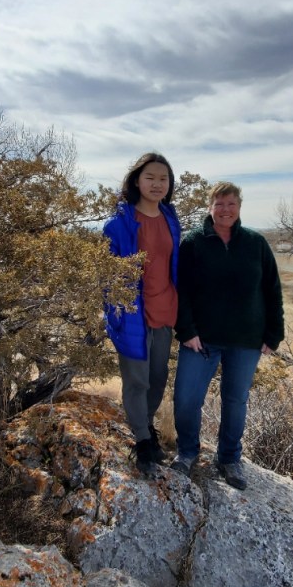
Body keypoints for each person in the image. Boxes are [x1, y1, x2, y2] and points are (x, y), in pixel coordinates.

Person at [171, 181, 284, 490]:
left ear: (239, 207)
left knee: (235, 401)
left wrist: (274, 333)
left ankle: (229, 458)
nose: (225, 209)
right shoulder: (193, 243)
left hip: (245, 340)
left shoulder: (255, 243)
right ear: (210, 207)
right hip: (201, 340)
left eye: (231, 203)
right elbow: (181, 291)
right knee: (186, 399)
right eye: (219, 204)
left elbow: (272, 290)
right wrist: (187, 330)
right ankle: (187, 452)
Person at [102, 152, 182, 474]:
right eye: (150, 177)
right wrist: (116, 314)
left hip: (165, 310)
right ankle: (141, 440)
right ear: (137, 180)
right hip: (132, 314)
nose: (157, 184)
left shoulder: (170, 219)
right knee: (136, 380)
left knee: (157, 377)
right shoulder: (118, 224)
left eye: (164, 179)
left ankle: (146, 426)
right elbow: (108, 277)